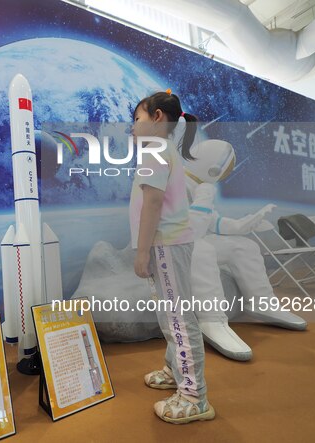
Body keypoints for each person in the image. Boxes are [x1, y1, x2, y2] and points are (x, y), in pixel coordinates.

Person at [129, 90, 215, 424]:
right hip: (168, 244)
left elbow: (152, 204)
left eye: (138, 119)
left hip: (165, 244)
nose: (133, 127)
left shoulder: (155, 151)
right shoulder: (163, 151)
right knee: (170, 312)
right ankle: (174, 369)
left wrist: (141, 251)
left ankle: (194, 396)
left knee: (178, 316)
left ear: (158, 117)